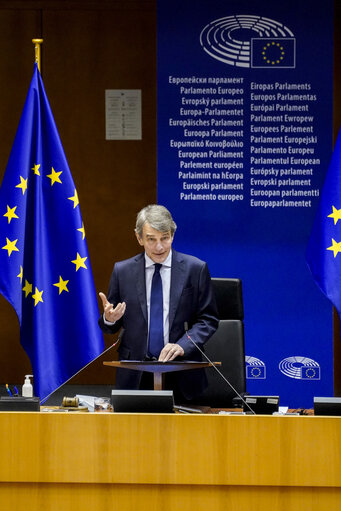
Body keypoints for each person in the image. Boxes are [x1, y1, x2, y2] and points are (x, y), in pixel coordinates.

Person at [98, 204, 218, 401]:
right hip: (135, 374)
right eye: (151, 239)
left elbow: (208, 319)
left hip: (182, 369)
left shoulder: (195, 269)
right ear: (139, 238)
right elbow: (110, 327)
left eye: (165, 238)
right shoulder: (122, 271)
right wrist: (110, 319)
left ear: (172, 234)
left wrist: (183, 345)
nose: (159, 247)